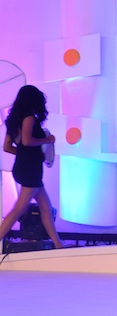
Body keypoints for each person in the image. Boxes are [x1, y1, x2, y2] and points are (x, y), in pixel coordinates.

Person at [0, 85, 63, 249]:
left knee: (45, 208)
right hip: (30, 170)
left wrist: (23, 154)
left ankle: (58, 245)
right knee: (19, 209)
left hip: (24, 168)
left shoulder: (13, 121)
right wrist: (48, 140)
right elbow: (27, 141)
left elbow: (7, 147)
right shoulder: (29, 118)